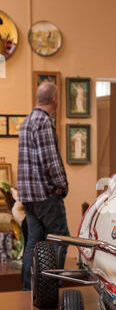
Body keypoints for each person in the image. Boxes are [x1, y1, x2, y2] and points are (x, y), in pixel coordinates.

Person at [17, 81, 69, 290]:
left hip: (28, 196)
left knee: (34, 241)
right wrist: (61, 185)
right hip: (45, 195)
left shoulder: (27, 122)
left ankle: (28, 289)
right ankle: (50, 288)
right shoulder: (44, 123)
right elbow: (50, 160)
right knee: (60, 238)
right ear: (55, 100)